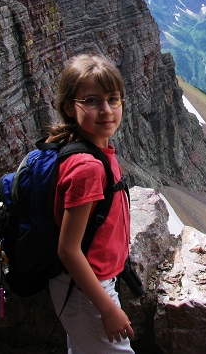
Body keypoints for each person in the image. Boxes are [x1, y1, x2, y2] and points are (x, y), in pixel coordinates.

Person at [46, 54, 135, 353]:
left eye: (113, 99)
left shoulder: (97, 150)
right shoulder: (88, 167)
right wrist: (107, 308)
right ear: (71, 107)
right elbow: (68, 249)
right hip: (87, 289)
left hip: (87, 285)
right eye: (93, 101)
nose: (106, 110)